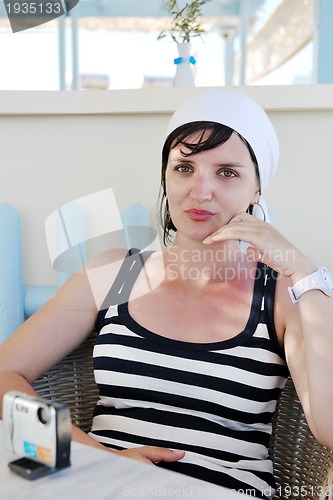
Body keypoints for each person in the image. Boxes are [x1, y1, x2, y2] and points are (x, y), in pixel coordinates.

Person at [1, 88, 333, 499]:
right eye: (184, 168)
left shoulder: (281, 293)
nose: (201, 191)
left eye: (227, 172)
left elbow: (330, 426)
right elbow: (4, 376)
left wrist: (302, 269)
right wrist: (93, 454)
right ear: (165, 178)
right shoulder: (117, 273)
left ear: (256, 190)